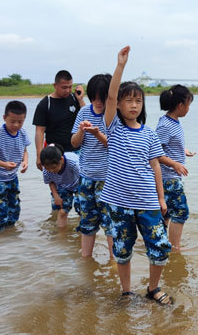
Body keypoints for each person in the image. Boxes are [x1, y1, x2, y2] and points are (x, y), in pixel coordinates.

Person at [100, 46, 173, 305]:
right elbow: (109, 97)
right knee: (121, 248)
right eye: (128, 100)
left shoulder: (149, 133)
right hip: (119, 203)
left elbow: (155, 167)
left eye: (138, 100)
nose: (133, 104)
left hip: (148, 203)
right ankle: (127, 291)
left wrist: (162, 199)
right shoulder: (114, 127)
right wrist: (120, 66)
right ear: (119, 105)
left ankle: (153, 288)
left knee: (160, 246)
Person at [70, 73, 115, 258]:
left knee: (110, 224)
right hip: (86, 177)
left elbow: (114, 144)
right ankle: (85, 259)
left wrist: (97, 133)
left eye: (101, 98)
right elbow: (74, 143)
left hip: (108, 179)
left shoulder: (113, 114)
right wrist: (82, 130)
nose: (97, 102)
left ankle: (114, 264)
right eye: (93, 98)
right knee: (87, 223)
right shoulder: (83, 112)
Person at [0, 100, 30, 232]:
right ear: (4, 118)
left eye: (20, 122)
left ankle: (8, 243)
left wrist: (25, 162)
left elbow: (24, 150)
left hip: (11, 177)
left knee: (14, 210)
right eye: (12, 121)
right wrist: (4, 164)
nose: (16, 125)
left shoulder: (23, 133)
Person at [156, 84, 195, 251]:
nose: (188, 109)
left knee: (167, 213)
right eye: (188, 105)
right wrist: (174, 163)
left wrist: (182, 151)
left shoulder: (173, 122)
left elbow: (169, 146)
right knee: (180, 212)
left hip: (172, 176)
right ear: (181, 105)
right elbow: (155, 153)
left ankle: (162, 243)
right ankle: (175, 248)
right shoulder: (165, 125)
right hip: (168, 177)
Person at [33, 70, 85, 171]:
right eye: (64, 87)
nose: (68, 90)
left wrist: (81, 99)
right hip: (54, 153)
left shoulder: (75, 99)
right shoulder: (45, 103)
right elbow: (39, 131)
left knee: (79, 183)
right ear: (55, 85)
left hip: (76, 150)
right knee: (57, 183)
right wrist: (39, 155)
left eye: (70, 87)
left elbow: (86, 117)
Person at [40, 144, 80, 229]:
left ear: (61, 160)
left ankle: (82, 231)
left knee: (82, 208)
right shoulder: (46, 171)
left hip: (78, 184)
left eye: (54, 167)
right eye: (48, 168)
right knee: (62, 211)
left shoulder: (73, 163)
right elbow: (51, 182)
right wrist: (56, 196)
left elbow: (83, 179)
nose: (51, 170)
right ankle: (61, 236)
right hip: (62, 186)